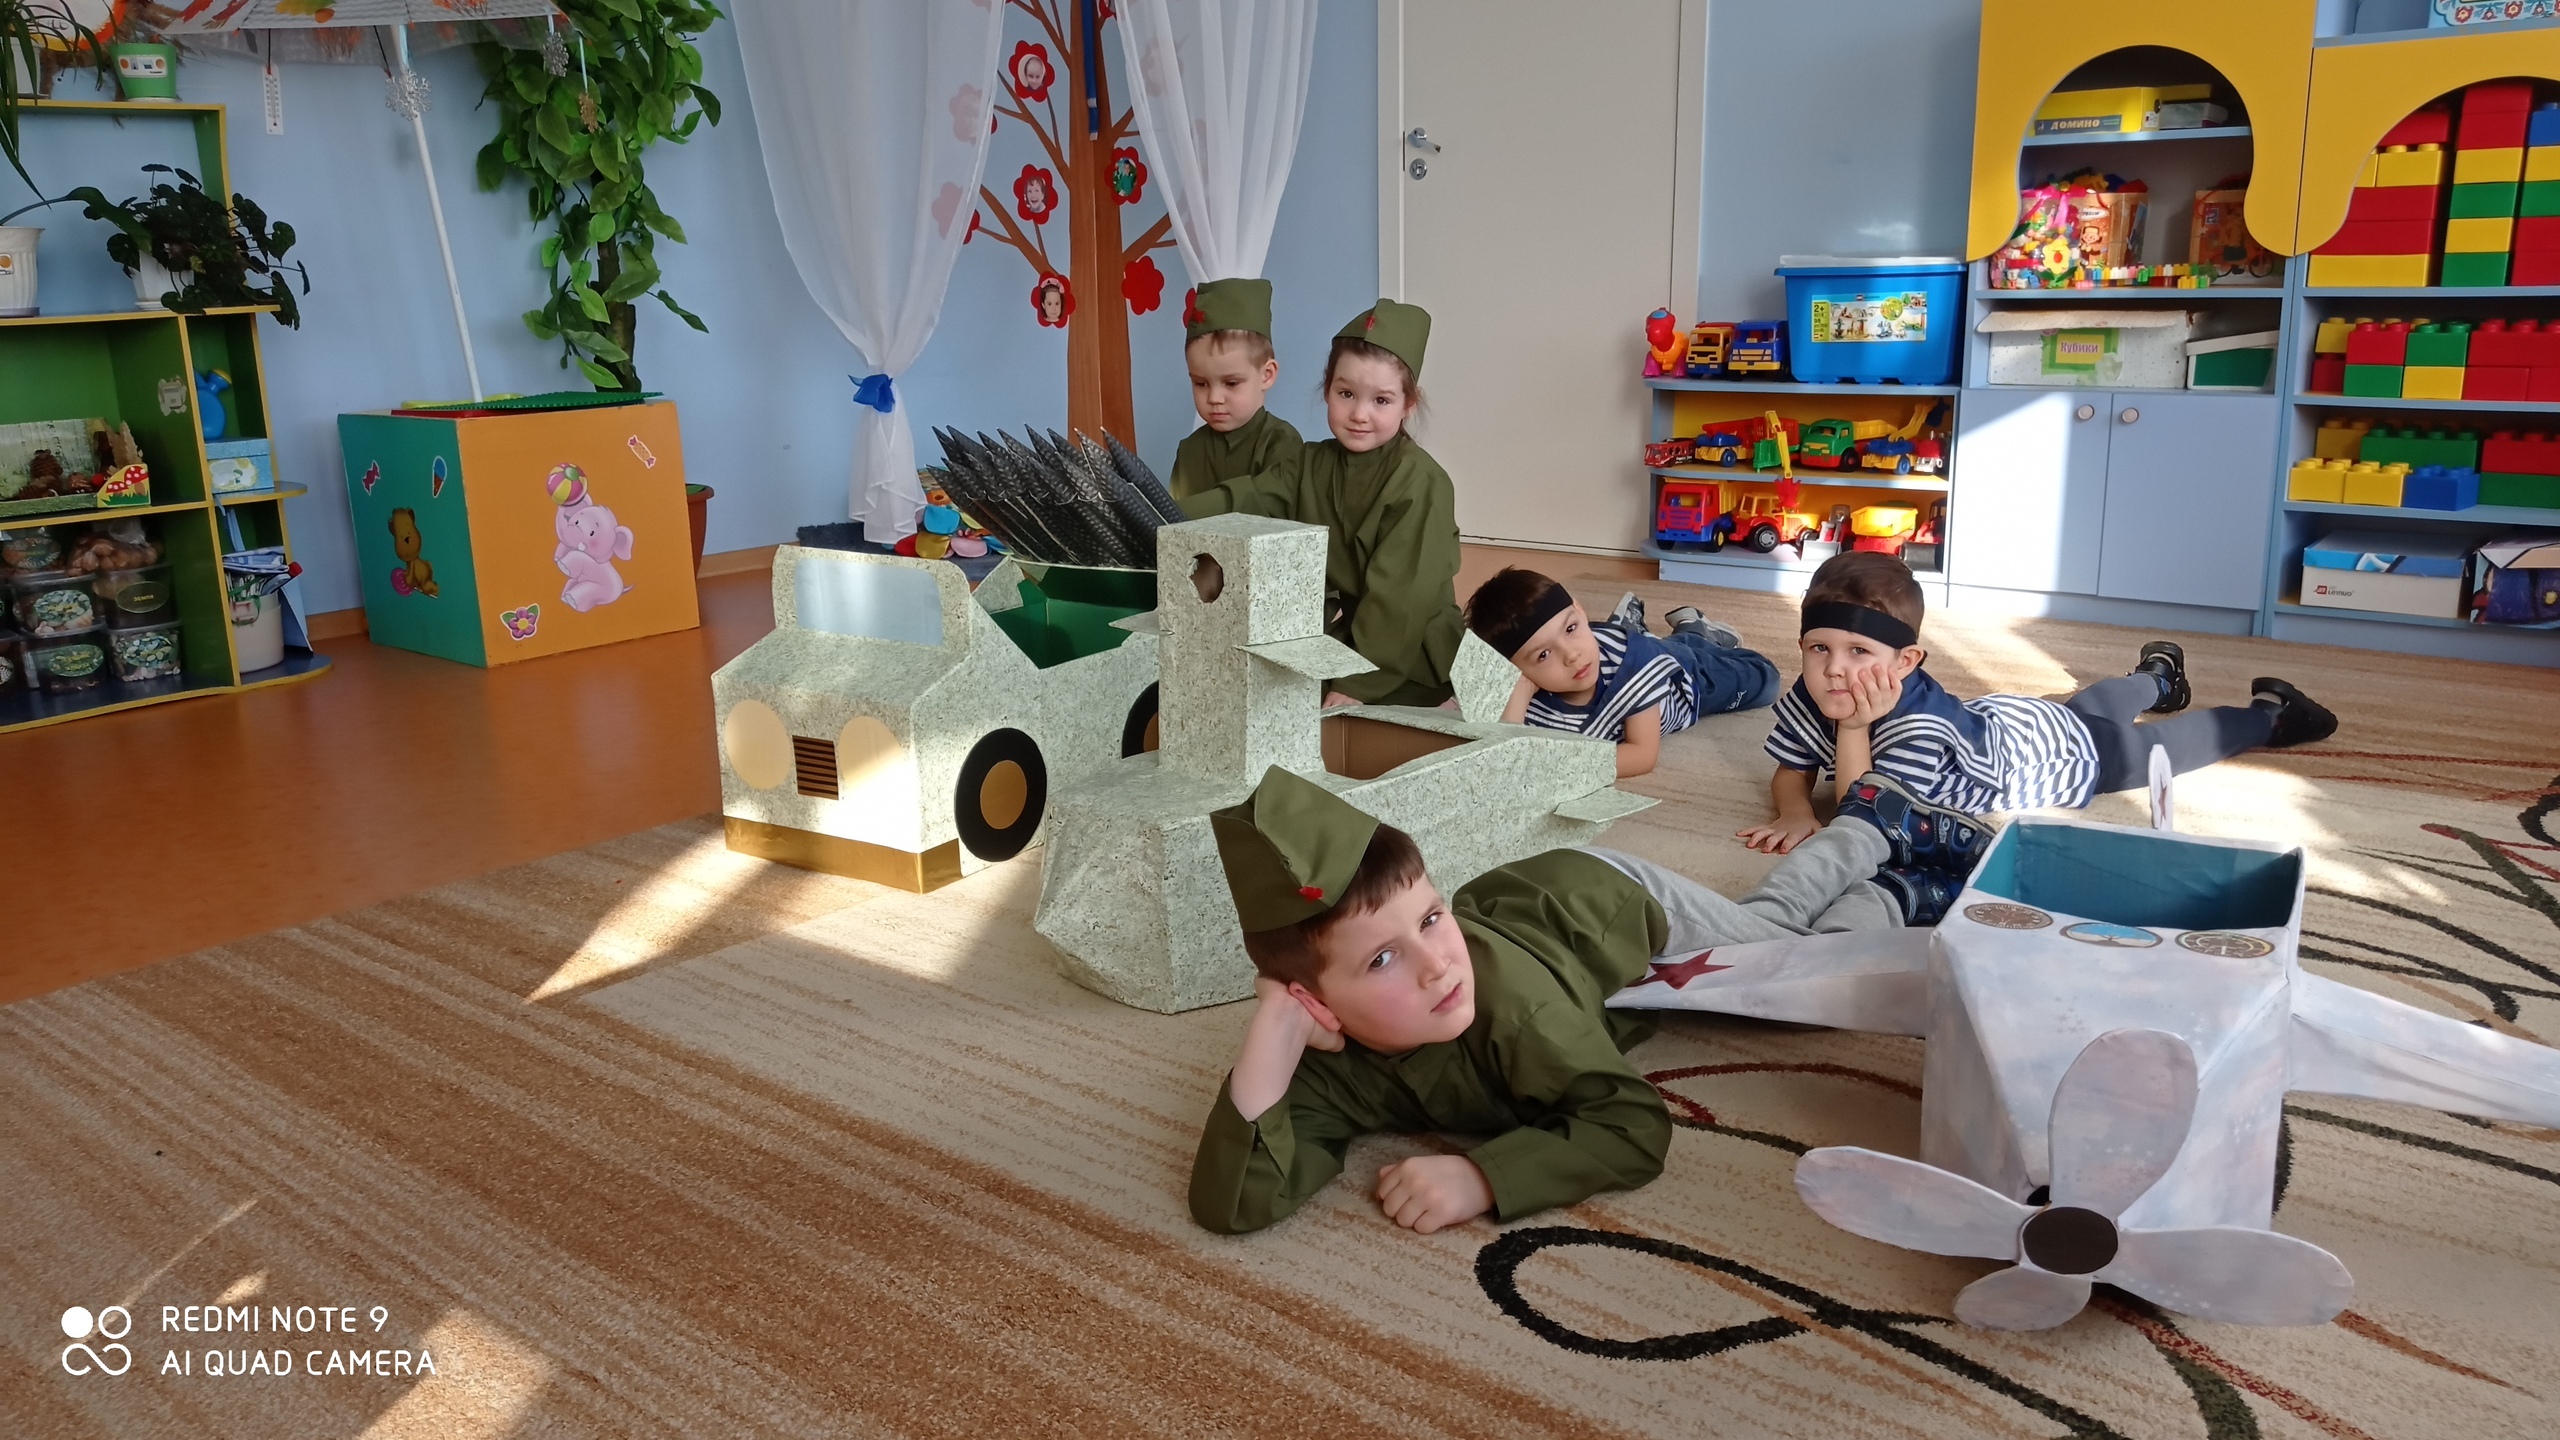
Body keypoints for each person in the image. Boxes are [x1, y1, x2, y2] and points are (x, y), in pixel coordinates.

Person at [1189, 764, 1988, 1237]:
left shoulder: (1513, 1009)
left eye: (1431, 918)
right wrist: (1271, 1034)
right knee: (1774, 951)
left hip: (1604, 901)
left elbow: (1632, 1124)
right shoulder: (1326, 1061)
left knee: (1791, 966)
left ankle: (1871, 836)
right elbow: (1233, 1204)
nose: (1437, 966)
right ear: (1316, 1005)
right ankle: (1891, 879)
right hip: (1539, 934)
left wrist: (1485, 1178)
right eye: (1385, 958)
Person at [1739, 551, 2340, 856]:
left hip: (2062, 757)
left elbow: (1864, 815)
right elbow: (1793, 767)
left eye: (1858, 652)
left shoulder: (1917, 728)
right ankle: (2157, 678)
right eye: (1818, 648)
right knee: (2089, 706)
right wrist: (1794, 808)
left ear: (1906, 662)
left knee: (2164, 746)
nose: (1834, 669)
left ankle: (2268, 714)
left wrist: (1854, 729)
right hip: (2018, 720)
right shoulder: (1814, 689)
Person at [1181, 300, 1463, 708]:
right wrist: (1165, 516)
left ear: (1408, 404)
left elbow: (1399, 601)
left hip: (1415, 659)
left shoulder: (1422, 482)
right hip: (1354, 642)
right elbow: (1245, 499)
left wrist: (1355, 684)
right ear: (1327, 389)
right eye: (1346, 393)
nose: (1359, 414)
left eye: (1381, 400)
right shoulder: (1309, 463)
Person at [1464, 567, 1779, 778]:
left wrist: (1559, 766)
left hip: (1682, 677)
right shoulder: (1524, 692)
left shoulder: (1634, 666)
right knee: (1647, 644)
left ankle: (1695, 631)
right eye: (1544, 655)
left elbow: (1642, 755)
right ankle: (1648, 629)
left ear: (1580, 610)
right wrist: (1517, 698)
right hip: (1617, 647)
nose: (1572, 656)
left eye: (1571, 628)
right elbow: (1502, 761)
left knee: (1766, 681)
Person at [1167, 278, 1303, 501]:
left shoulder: (1281, 443)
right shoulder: (1189, 450)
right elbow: (1173, 518)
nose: (1214, 398)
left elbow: (1274, 510)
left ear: (1267, 375)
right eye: (1200, 383)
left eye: (1231, 383)